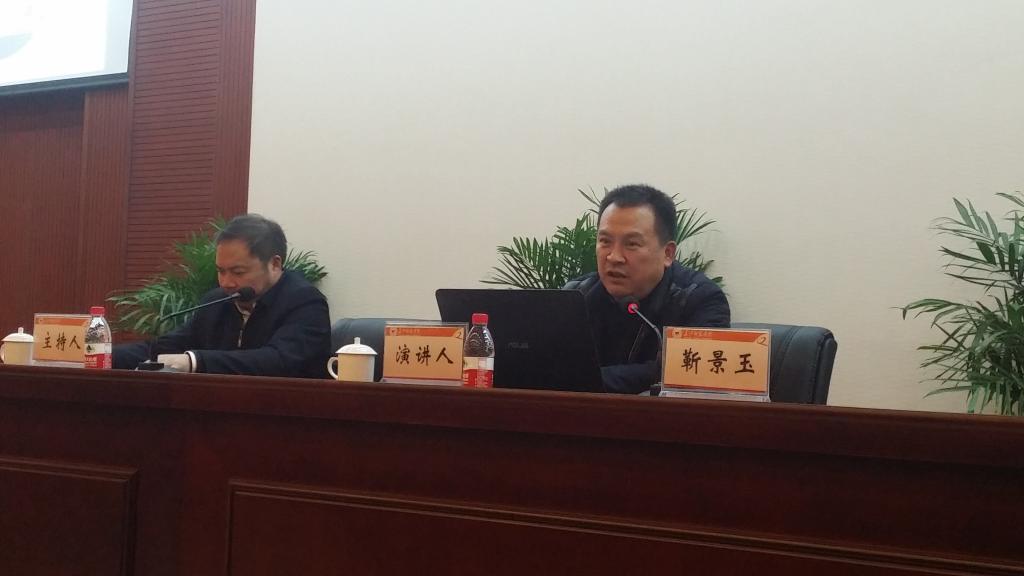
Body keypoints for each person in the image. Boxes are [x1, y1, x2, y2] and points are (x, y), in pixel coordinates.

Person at [113, 214, 332, 378]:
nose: (226, 282)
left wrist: (195, 362)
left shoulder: (305, 302)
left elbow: (278, 361)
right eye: (221, 271)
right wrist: (101, 356)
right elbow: (163, 349)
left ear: (274, 264)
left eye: (238, 272)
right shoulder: (216, 302)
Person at [564, 184, 730, 394]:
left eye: (631, 244)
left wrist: (584, 378)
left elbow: (689, 371)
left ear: (668, 253)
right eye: (605, 241)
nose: (614, 257)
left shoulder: (699, 299)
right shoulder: (578, 295)